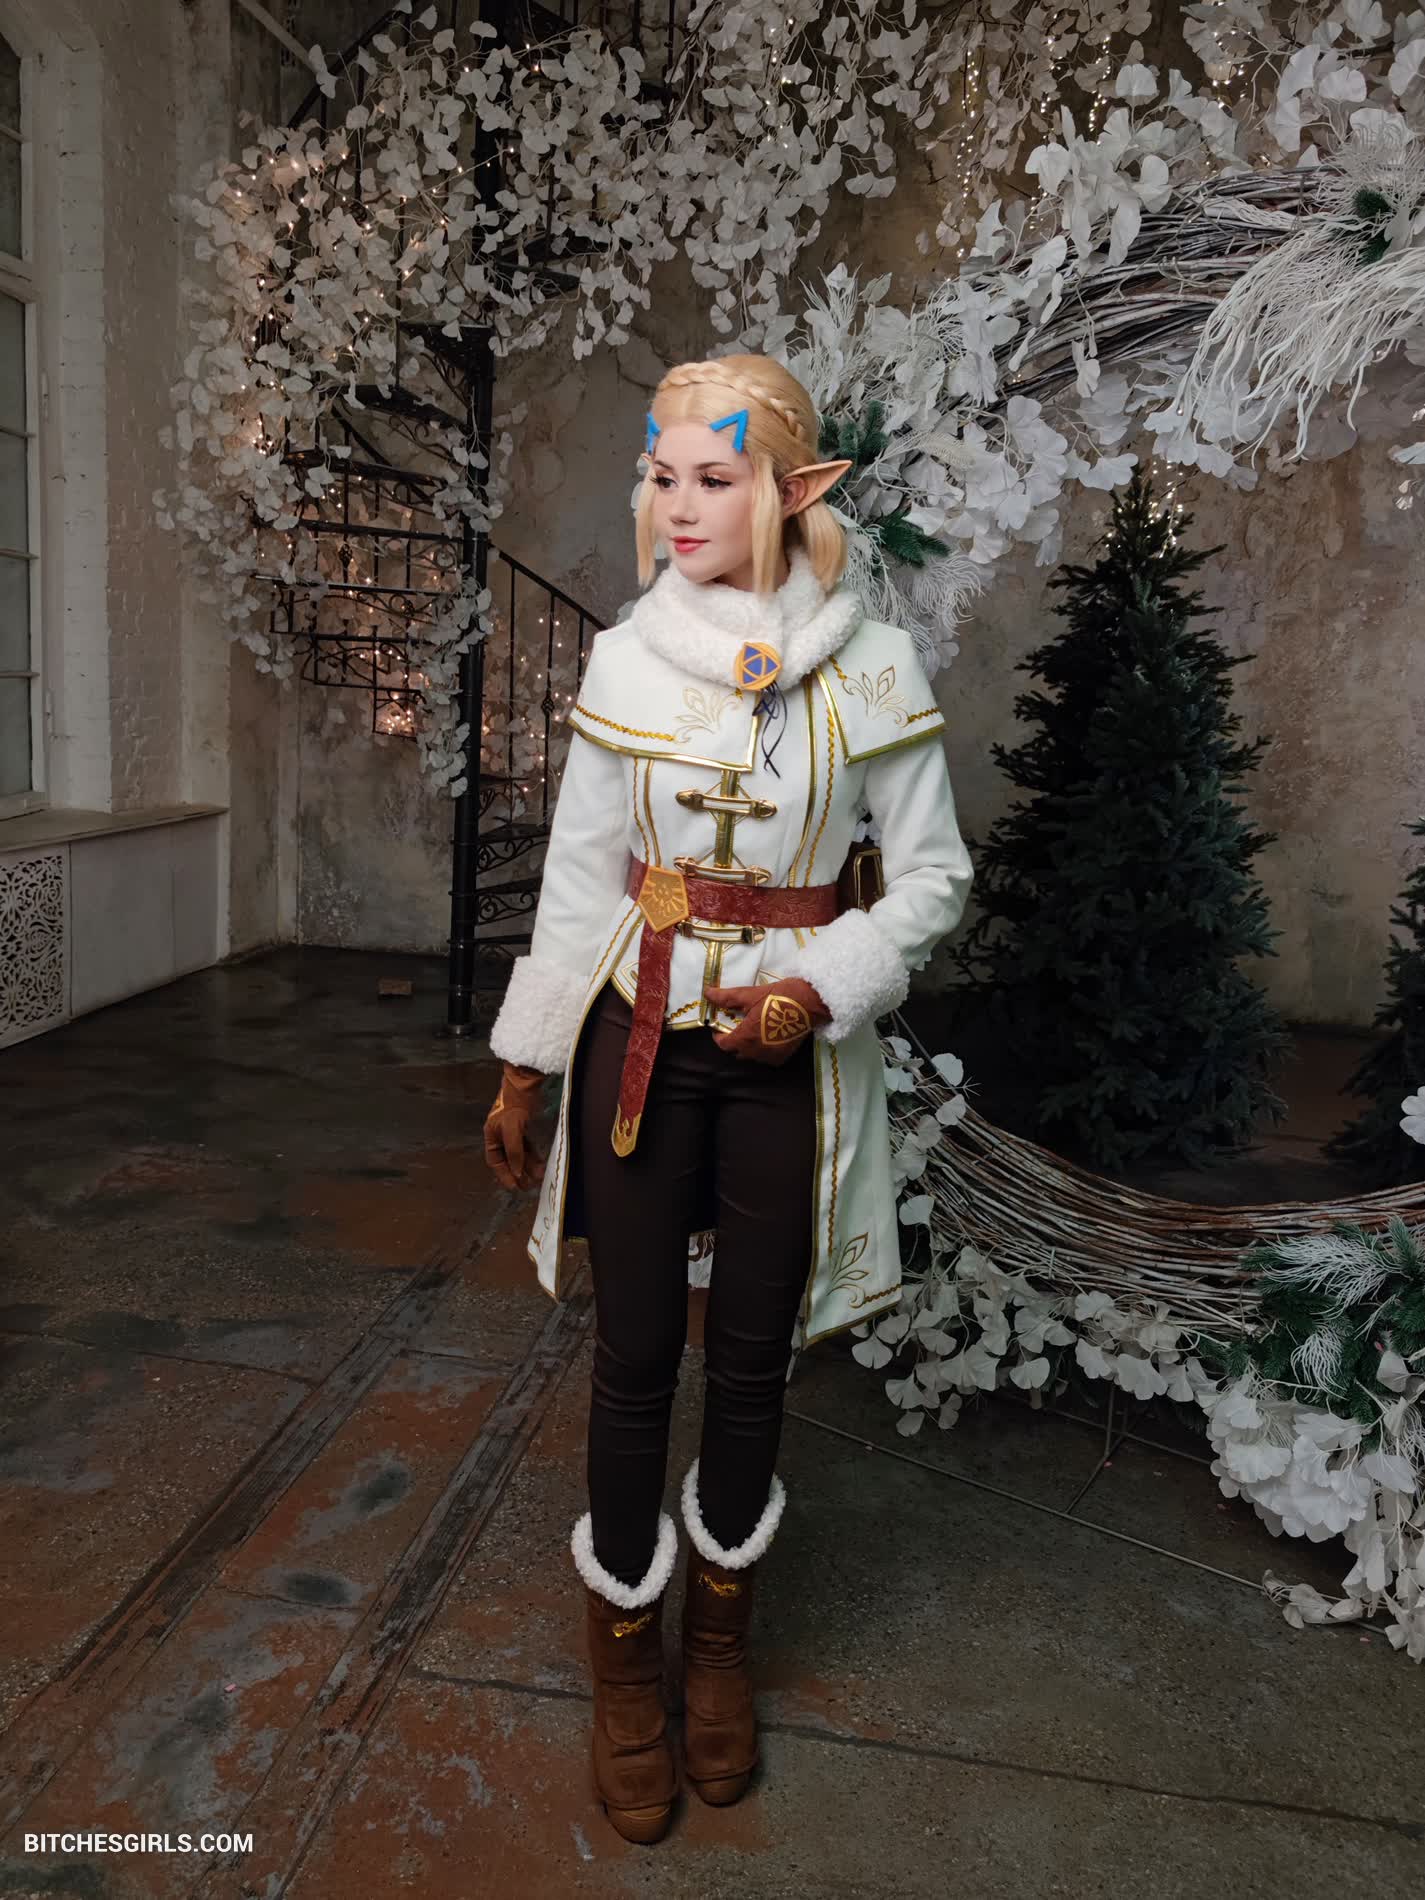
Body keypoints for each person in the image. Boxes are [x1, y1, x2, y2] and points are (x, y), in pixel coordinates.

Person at [482, 354, 974, 1843]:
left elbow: (934, 877)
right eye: (662, 474)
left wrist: (817, 986)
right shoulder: (624, 662)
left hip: (786, 1065)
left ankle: (715, 1651)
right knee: (634, 1358)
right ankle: (623, 1658)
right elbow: (582, 874)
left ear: (793, 488)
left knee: (752, 1364)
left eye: (713, 475)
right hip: (637, 1042)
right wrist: (525, 1058)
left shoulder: (874, 666)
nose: (678, 503)